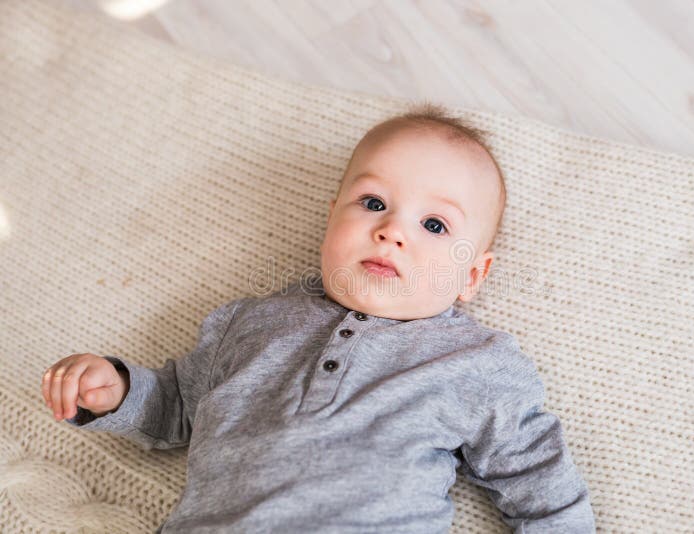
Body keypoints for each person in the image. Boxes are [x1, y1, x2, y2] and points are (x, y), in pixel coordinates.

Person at [41, 103, 596, 533]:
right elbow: (176, 407)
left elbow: (539, 482)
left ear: (473, 275)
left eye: (434, 226)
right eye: (374, 203)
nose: (392, 231)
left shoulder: (474, 363)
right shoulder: (251, 323)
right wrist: (116, 390)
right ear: (331, 218)